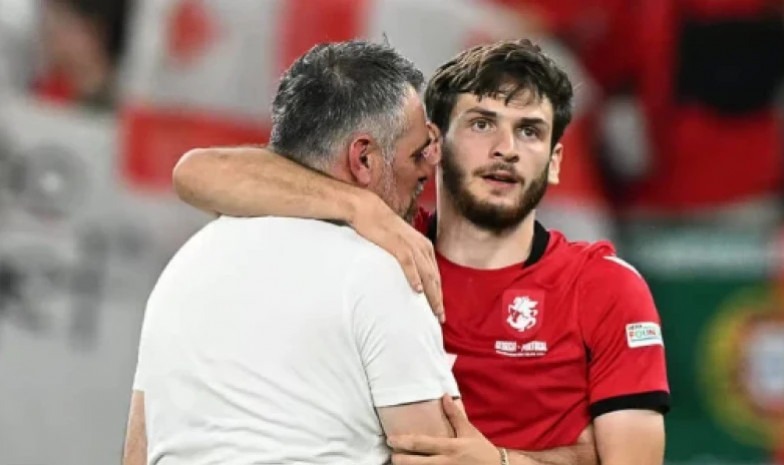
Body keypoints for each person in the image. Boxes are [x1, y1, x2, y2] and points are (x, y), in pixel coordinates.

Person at [172, 39, 669, 465]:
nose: (507, 148)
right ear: (434, 144)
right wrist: (355, 205)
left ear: (555, 161)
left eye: (530, 131)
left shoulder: (605, 286)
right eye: (482, 124)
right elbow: (196, 173)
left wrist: (498, 462)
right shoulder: (376, 244)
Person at [122, 40, 461, 465]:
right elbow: (438, 459)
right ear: (363, 159)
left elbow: (137, 452)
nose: (428, 167)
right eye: (416, 153)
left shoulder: (185, 266)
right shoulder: (384, 273)